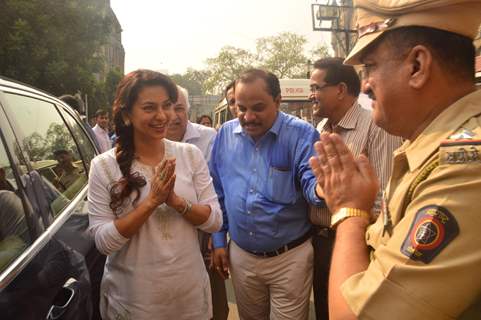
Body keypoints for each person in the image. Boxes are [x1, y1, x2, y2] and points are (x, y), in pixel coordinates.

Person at [309, 1, 481, 319]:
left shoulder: (464, 166)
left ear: (417, 66)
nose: (366, 85)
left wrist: (349, 212)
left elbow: (353, 315)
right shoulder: (428, 147)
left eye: (371, 66)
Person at [88, 69, 223, 320]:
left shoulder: (189, 155)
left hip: (188, 297)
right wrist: (151, 202)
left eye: (167, 106)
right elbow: (104, 242)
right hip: (135, 302)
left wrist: (175, 201)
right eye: (149, 108)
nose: (162, 116)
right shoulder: (104, 166)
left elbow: (215, 220)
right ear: (127, 114)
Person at [210, 69, 326, 320]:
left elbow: (311, 181)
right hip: (241, 256)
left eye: (258, 108)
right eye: (241, 108)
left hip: (289, 258)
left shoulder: (301, 134)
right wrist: (219, 240)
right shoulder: (225, 136)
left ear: (277, 101)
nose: (248, 117)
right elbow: (216, 192)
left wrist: (322, 188)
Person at [308, 57, 402, 320]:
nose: (311, 96)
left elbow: (384, 197)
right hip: (321, 243)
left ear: (339, 89)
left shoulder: (376, 126)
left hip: (359, 244)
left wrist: (350, 220)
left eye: (316, 88)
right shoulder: (320, 129)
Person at [166, 86, 228, 320]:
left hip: (206, 234)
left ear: (188, 111)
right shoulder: (146, 143)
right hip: (166, 243)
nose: (172, 115)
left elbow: (221, 187)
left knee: (214, 306)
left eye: (179, 108)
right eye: (167, 108)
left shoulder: (209, 137)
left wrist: (218, 235)